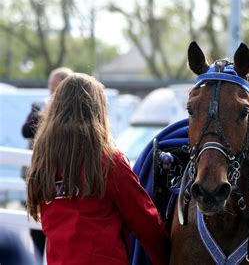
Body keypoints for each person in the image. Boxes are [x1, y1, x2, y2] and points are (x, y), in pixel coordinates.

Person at [26, 73, 169, 264]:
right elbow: (145, 220)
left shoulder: (44, 163)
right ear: (97, 110)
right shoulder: (108, 162)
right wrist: (167, 256)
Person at [20, 66, 73, 259]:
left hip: (62, 175)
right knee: (36, 225)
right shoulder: (40, 104)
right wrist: (47, 115)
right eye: (50, 86)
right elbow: (26, 130)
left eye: (56, 86)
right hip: (39, 172)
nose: (52, 90)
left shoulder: (74, 111)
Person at [22, 67, 73, 138]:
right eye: (50, 84)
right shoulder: (39, 104)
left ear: (66, 87)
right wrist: (41, 116)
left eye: (55, 84)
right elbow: (26, 132)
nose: (51, 88)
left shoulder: (73, 110)